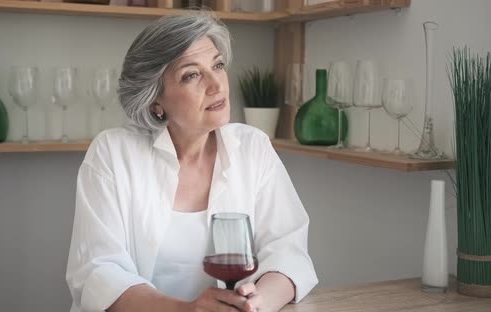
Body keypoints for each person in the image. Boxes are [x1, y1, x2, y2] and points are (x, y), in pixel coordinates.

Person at [66, 11, 318, 312]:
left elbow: (289, 254)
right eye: (192, 74)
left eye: (218, 65)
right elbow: (98, 273)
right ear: (154, 100)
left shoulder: (253, 147)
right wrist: (186, 310)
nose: (217, 85)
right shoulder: (113, 153)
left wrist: (256, 304)